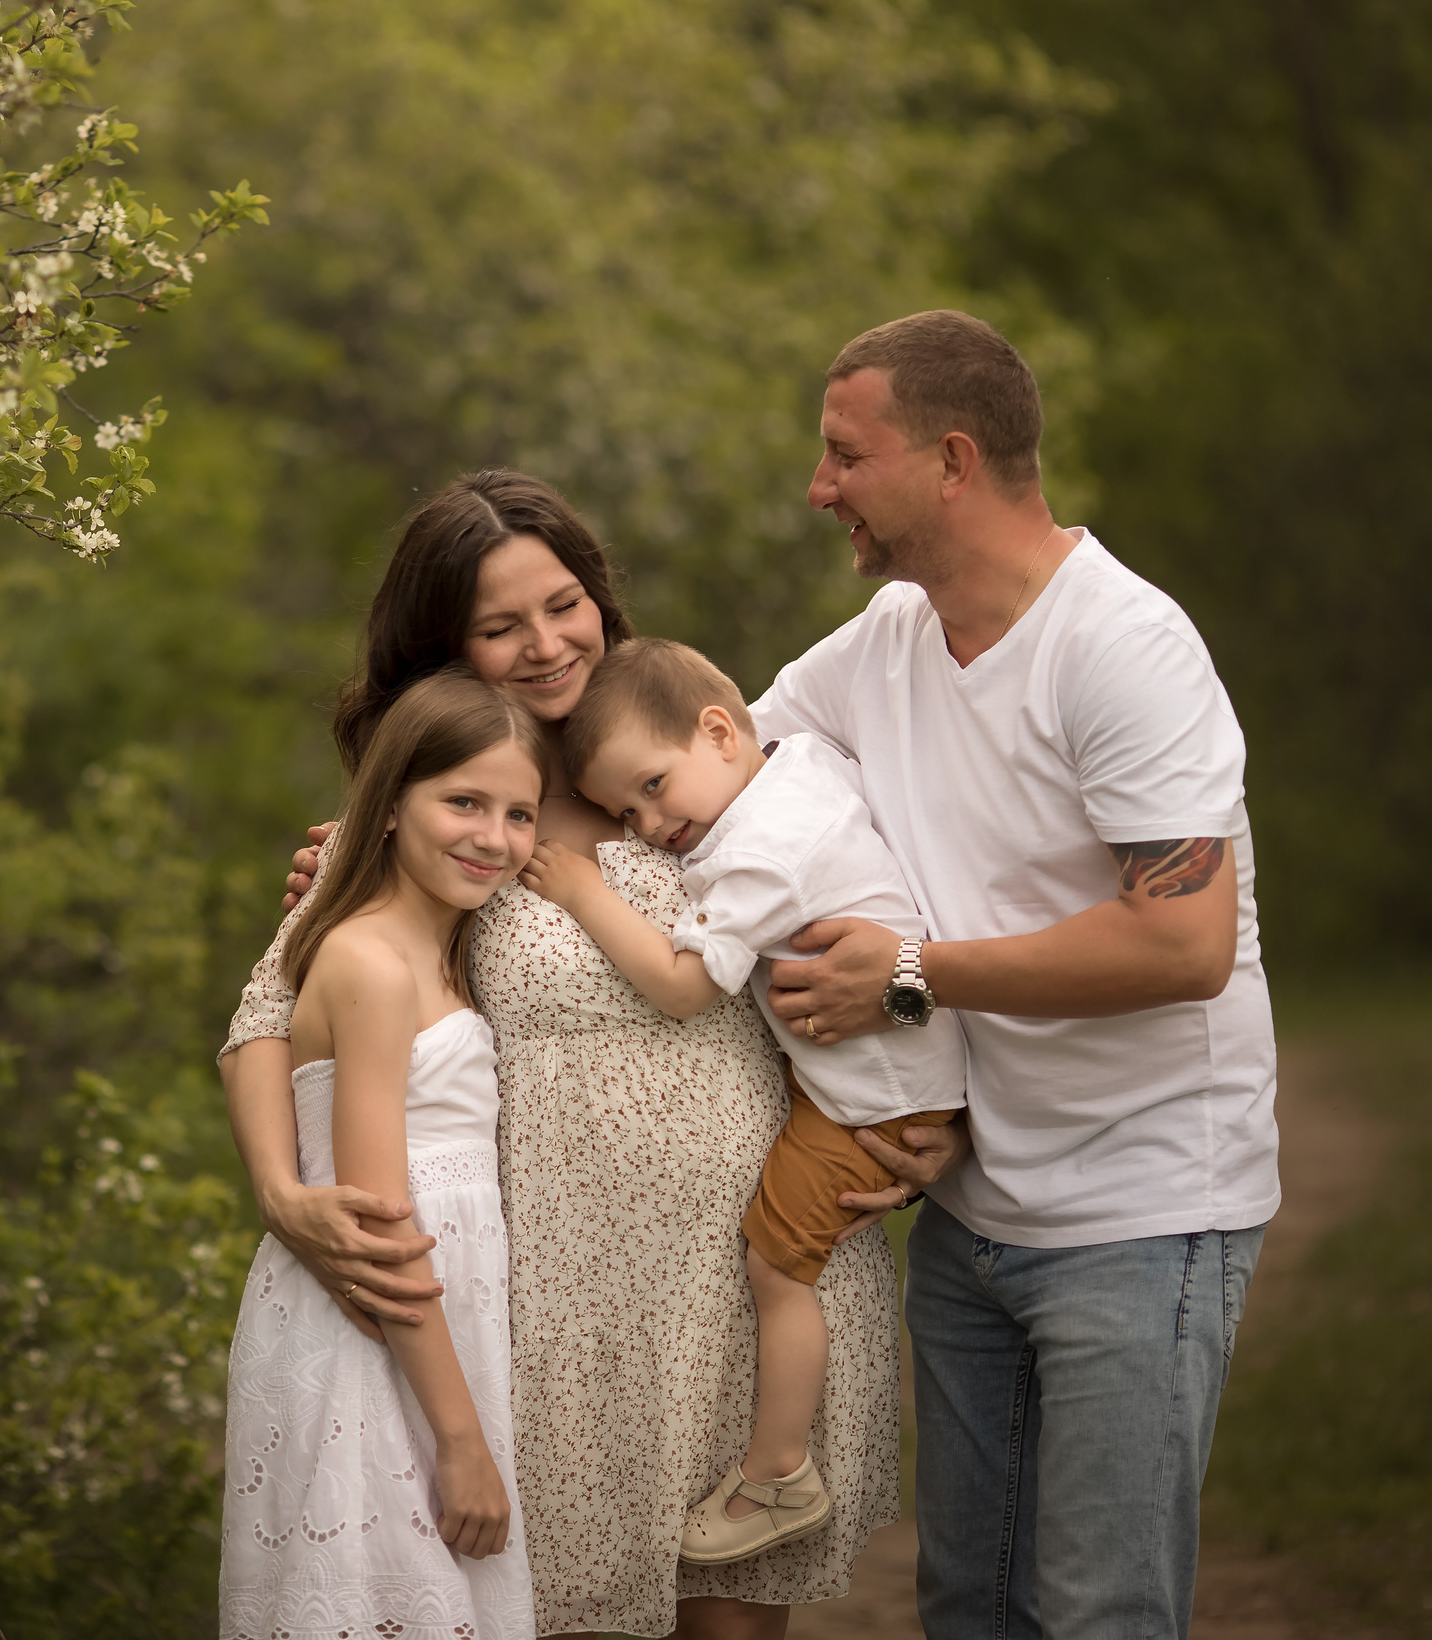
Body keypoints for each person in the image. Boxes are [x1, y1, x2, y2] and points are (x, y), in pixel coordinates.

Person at [223, 471, 968, 1640]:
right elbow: (270, 1011)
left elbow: (887, 918)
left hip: (753, 1262)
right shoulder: (452, 808)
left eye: (562, 603)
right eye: (499, 624)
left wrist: (919, 1115)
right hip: (558, 1303)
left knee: (732, 1625)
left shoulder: (691, 755)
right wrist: (282, 1191)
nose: (544, 643)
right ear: (447, 644)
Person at [751, 310, 1277, 1639]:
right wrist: (398, 834)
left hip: (1142, 1207)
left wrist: (908, 973)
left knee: (1102, 1612)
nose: (819, 487)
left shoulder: (1123, 646)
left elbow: (1183, 941)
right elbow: (697, 772)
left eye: (845, 454)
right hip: (969, 1209)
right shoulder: (887, 639)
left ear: (952, 460)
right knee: (970, 1605)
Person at [519, 637, 965, 1568]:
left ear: (721, 732)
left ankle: (778, 1473)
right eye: (624, 811)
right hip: (891, 1073)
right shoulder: (796, 766)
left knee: (776, 1268)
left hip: (871, 1103)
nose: (649, 824)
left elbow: (685, 987)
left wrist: (584, 890)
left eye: (651, 788)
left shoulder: (763, 854)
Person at [219, 665, 543, 1638]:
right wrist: (461, 1441)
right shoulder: (370, 961)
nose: (493, 837)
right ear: (390, 802)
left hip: (435, 1332)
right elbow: (379, 1217)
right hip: (377, 1337)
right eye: (463, 802)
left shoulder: (438, 951)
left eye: (519, 814)